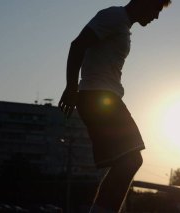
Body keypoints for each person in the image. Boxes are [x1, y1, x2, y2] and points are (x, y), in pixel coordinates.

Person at [58, 0, 171, 212]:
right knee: (131, 160)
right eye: (156, 9)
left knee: (127, 162)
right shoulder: (113, 16)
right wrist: (71, 88)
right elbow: (78, 45)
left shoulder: (123, 26)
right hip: (98, 98)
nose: (156, 17)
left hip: (102, 98)